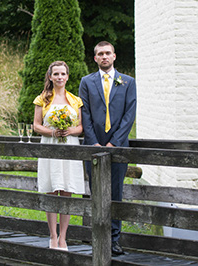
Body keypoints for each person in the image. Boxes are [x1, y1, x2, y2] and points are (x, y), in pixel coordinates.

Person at [78, 41, 136, 255]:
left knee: (115, 194)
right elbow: (84, 112)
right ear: (95, 58)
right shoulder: (86, 81)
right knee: (96, 194)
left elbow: (130, 115)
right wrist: (94, 142)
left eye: (107, 53)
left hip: (119, 147)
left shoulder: (128, 82)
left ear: (114, 56)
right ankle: (98, 238)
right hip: (92, 146)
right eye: (100, 54)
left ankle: (114, 240)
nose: (104, 56)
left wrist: (113, 143)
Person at [33, 61, 85, 251]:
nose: (60, 77)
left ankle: (63, 237)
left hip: (69, 146)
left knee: (67, 190)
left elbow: (80, 127)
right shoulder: (42, 99)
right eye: (56, 74)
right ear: (50, 77)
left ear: (68, 76)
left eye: (63, 74)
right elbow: (36, 125)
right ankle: (52, 236)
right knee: (52, 189)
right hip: (50, 146)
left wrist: (71, 130)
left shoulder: (75, 100)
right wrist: (52, 132)